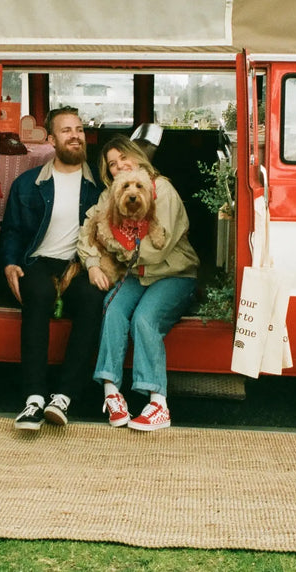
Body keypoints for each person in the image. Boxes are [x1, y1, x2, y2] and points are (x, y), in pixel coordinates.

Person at [0, 107, 105, 431]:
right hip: (39, 261)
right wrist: (11, 265)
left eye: (79, 129)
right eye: (67, 130)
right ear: (52, 139)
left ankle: (64, 397)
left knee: (91, 299)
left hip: (82, 263)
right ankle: (33, 398)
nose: (75, 135)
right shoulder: (29, 183)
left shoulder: (99, 185)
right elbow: (12, 231)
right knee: (38, 294)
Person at [80, 136, 199, 431]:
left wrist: (112, 243)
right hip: (134, 274)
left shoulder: (163, 190)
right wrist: (93, 263)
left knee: (145, 319)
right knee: (113, 309)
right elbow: (88, 230)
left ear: (137, 156)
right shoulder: (110, 195)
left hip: (173, 273)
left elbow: (156, 250)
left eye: (124, 158)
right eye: (112, 164)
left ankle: (158, 403)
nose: (120, 166)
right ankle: (112, 393)